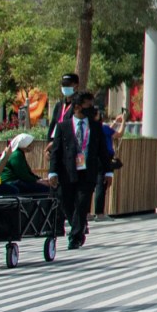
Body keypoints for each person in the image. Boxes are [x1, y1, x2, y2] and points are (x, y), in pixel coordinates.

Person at [45, 90, 112, 249]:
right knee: (67, 203)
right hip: (67, 172)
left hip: (88, 172)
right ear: (77, 107)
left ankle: (75, 237)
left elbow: (103, 150)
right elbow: (56, 151)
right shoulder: (63, 127)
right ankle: (78, 228)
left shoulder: (96, 127)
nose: (92, 109)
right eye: (88, 106)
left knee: (82, 204)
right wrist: (52, 172)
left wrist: (108, 171)